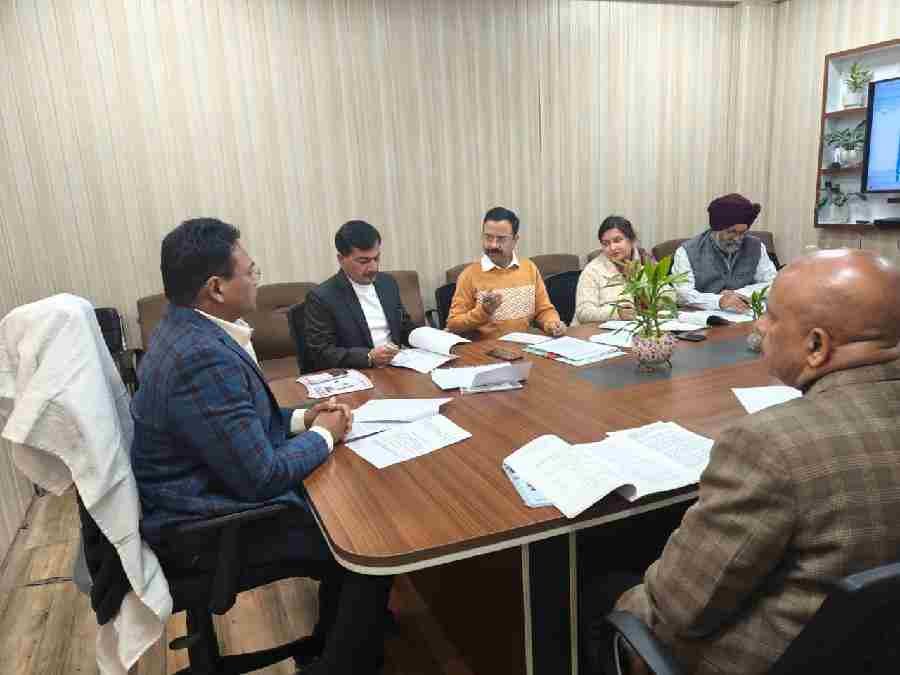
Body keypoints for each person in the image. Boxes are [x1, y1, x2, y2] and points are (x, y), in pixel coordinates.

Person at [581, 248, 900, 675]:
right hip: (876, 650)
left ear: (816, 345)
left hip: (766, 659)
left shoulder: (770, 445)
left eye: (770, 315)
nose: (758, 326)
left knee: (595, 590)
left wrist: (629, 607)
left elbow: (678, 607)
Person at [130, 218, 392, 675]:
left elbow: (236, 424)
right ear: (216, 287)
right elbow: (262, 477)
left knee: (348, 508)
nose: (257, 279)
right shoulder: (201, 356)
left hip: (199, 494)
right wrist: (326, 433)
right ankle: (343, 661)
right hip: (205, 529)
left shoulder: (186, 330)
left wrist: (304, 418)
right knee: (366, 537)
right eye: (250, 271)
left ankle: (335, 641)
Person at [304, 220, 417, 371]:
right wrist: (368, 357)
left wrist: (432, 339)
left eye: (376, 258)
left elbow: (403, 325)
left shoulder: (387, 283)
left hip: (396, 367)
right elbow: (322, 352)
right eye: (363, 261)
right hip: (358, 372)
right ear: (341, 259)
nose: (373, 268)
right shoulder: (322, 297)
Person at [446, 206, 566, 340]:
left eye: (501, 239)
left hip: (524, 346)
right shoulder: (469, 275)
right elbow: (453, 324)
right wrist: (483, 311)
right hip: (486, 349)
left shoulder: (529, 268)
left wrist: (552, 323)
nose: (493, 245)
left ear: (515, 240)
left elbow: (544, 310)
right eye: (488, 238)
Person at [671, 193, 777, 312]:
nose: (737, 239)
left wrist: (740, 293)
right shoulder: (687, 251)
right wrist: (719, 301)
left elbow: (773, 283)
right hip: (705, 316)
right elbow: (683, 294)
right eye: (732, 232)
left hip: (746, 313)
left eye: (742, 233)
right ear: (716, 229)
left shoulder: (756, 246)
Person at [574, 216, 653, 325]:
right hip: (596, 331)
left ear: (631, 240)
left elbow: (668, 298)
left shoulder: (646, 261)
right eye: (606, 244)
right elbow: (583, 313)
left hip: (641, 328)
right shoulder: (592, 270)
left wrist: (636, 280)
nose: (612, 248)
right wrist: (617, 313)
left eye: (617, 240)